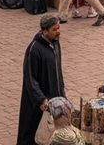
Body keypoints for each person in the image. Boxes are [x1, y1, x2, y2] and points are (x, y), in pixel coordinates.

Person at [17, 14, 66, 145]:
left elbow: (58, 70)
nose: (58, 32)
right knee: (33, 134)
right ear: (45, 31)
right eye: (54, 29)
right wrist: (41, 99)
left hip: (55, 98)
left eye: (58, 28)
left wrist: (62, 93)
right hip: (39, 103)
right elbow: (30, 78)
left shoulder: (55, 44)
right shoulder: (34, 49)